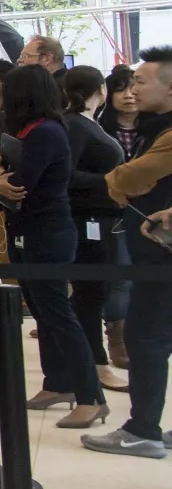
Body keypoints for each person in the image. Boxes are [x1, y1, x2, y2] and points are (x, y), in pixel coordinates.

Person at [0, 65, 106, 429]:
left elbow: (20, 184)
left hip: (47, 233)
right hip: (27, 230)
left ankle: (91, 397)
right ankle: (58, 383)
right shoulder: (23, 131)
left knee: (58, 314)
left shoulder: (47, 132)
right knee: (43, 311)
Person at [87, 46, 172, 459]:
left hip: (160, 259)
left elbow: (128, 177)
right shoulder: (154, 128)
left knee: (147, 338)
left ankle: (142, 430)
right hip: (153, 250)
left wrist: (118, 182)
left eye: (140, 81)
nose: (132, 89)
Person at [60, 66, 127, 392]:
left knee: (93, 292)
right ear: (101, 89)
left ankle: (91, 362)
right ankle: (96, 364)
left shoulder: (87, 123)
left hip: (100, 218)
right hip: (87, 220)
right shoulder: (76, 125)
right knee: (91, 293)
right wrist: (112, 181)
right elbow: (65, 175)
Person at [96, 64, 141, 371]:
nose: (129, 96)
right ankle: (117, 338)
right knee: (121, 275)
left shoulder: (158, 127)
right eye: (121, 90)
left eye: (134, 89)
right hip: (115, 213)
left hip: (154, 211)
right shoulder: (100, 131)